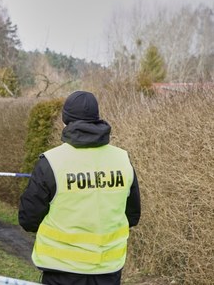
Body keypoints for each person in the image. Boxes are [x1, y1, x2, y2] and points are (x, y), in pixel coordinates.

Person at [18, 91, 141, 285]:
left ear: (65, 120)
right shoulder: (122, 159)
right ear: (97, 119)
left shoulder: (51, 162)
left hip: (62, 270)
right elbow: (133, 216)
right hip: (108, 270)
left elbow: (28, 219)